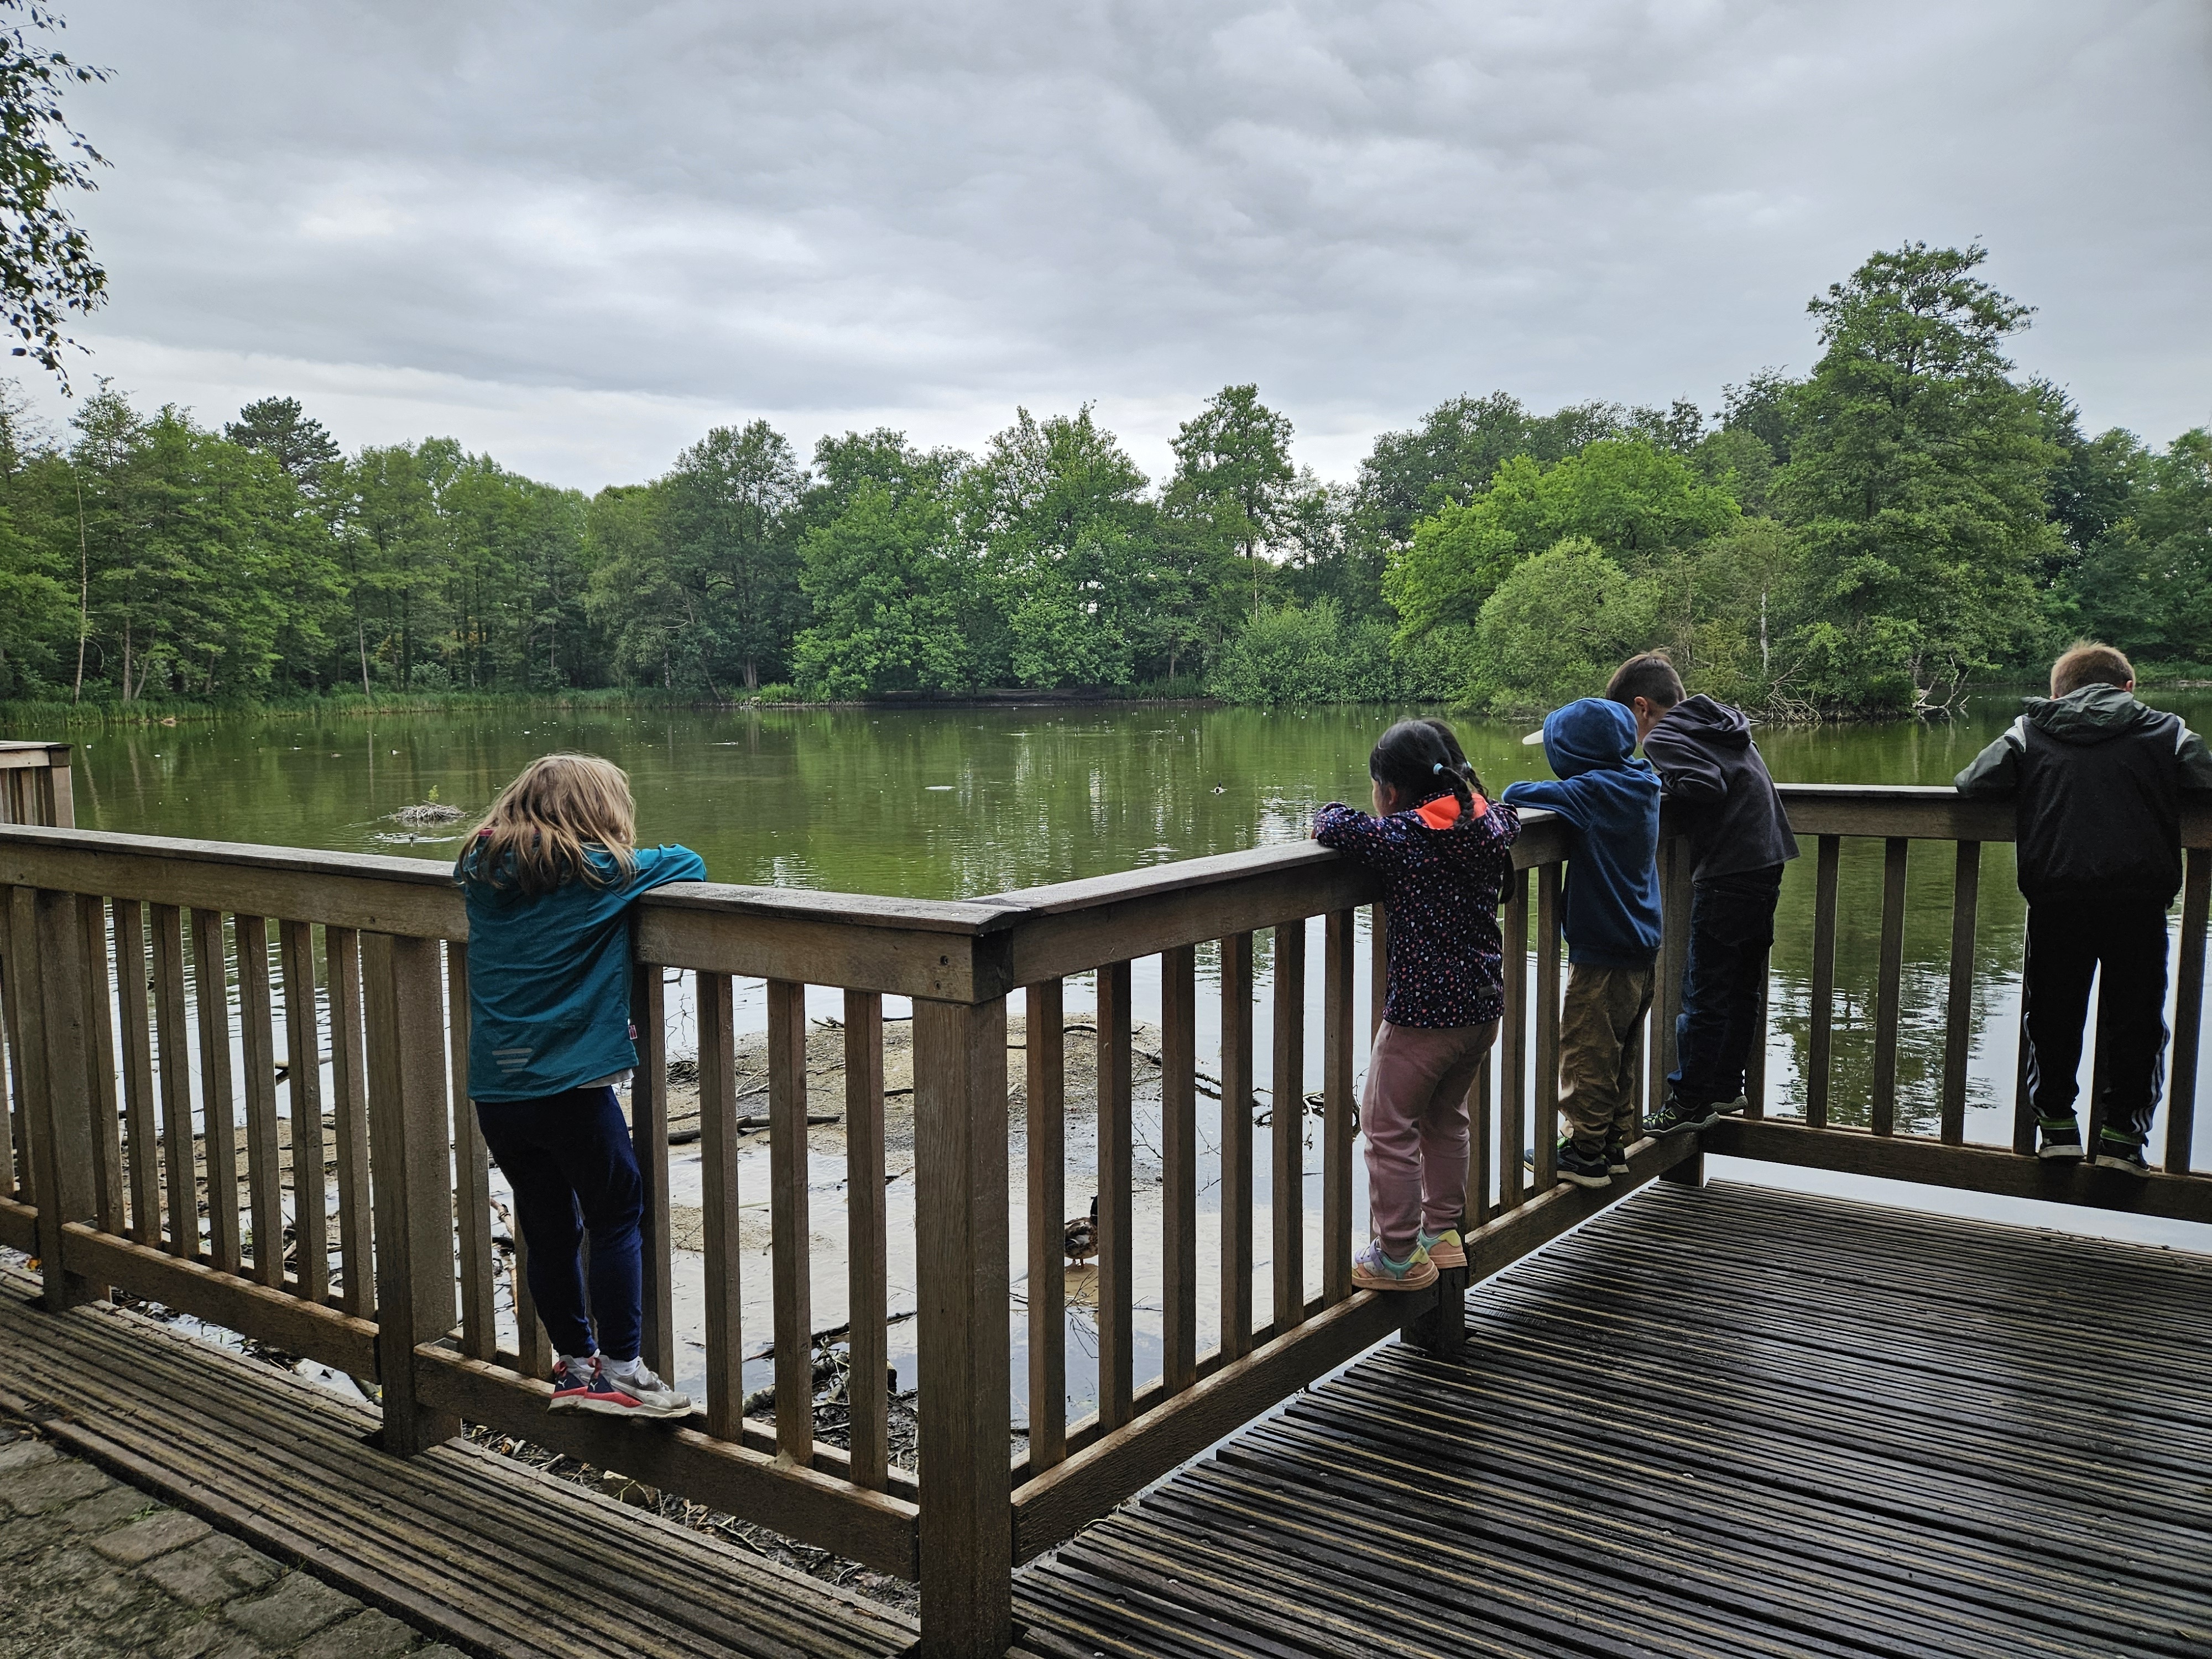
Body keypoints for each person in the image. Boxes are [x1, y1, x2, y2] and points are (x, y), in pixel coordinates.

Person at [457, 753, 707, 1415]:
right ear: (600, 812)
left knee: (546, 1222)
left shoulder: (478, 868)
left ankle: (574, 1364)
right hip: (569, 1084)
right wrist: (617, 850)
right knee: (616, 1211)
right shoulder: (603, 872)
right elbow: (688, 862)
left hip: (498, 1087)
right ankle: (621, 1370)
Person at [1955, 643, 2212, 1175]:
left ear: (2059, 693)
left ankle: (2056, 1130)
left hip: (2058, 898)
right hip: (2138, 901)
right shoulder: (2167, 731)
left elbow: (1974, 783)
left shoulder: (2030, 731)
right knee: (2138, 1020)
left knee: (2052, 1015)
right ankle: (2122, 1140)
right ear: (2128, 687)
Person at [1314, 721, 1521, 1289]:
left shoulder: (1404, 836)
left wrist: (1332, 810)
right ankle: (1442, 1234)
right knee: (1446, 1118)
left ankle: (1399, 1253)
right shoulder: (1491, 823)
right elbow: (1510, 813)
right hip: (1482, 1007)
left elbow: (1335, 824)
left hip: (1424, 1016)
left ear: (1390, 791)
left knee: (1387, 1126)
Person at [1608, 653, 1799, 1134]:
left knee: (1704, 992)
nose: (1630, 735)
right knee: (1742, 985)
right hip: (1767, 859)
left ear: (1642, 707)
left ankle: (1688, 1102)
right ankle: (1726, 1086)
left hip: (1728, 870)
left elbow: (1705, 785)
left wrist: (1656, 783)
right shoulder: (1719, 723)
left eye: (1627, 721)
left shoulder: (1665, 736)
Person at [1500, 699, 1662, 1189]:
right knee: (1620, 1050)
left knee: (1587, 1050)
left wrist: (1569, 782)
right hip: (1641, 947)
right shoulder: (1643, 782)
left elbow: (1514, 793)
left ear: (1571, 756)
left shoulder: (1590, 792)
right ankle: (1612, 1140)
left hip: (1602, 951)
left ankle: (1584, 1152)